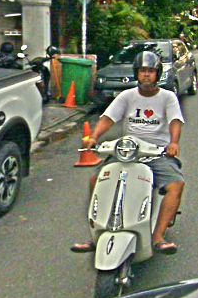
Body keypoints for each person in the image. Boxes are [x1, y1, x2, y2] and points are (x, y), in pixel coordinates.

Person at [71, 50, 185, 255]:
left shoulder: (167, 97)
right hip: (127, 151)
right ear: (136, 73)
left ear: (157, 74)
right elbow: (108, 118)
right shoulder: (127, 96)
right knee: (96, 180)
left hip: (157, 153)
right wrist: (94, 137)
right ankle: (96, 235)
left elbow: (175, 121)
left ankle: (158, 237)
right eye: (142, 71)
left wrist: (174, 143)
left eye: (150, 71)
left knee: (176, 185)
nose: (146, 75)